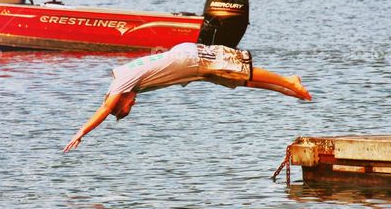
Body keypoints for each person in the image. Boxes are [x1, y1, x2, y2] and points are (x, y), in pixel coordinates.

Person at [64, 42, 311, 151]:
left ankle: (288, 80)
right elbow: (106, 103)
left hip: (190, 59)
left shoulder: (123, 83)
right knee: (233, 80)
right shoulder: (125, 84)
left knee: (237, 70)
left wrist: (81, 133)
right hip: (189, 67)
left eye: (128, 107)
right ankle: (284, 89)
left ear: (121, 101)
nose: (134, 103)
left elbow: (105, 109)